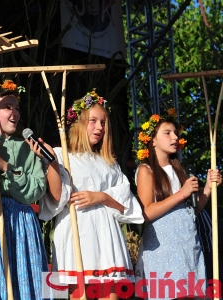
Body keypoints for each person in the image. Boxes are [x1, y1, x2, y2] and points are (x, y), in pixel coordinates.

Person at [35, 89, 144, 300]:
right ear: (79, 123)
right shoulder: (62, 155)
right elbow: (57, 197)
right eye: (93, 121)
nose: (100, 127)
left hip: (106, 237)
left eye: (103, 122)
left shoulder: (110, 164)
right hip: (77, 232)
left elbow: (126, 207)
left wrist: (100, 197)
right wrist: (52, 164)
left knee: (110, 295)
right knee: (78, 293)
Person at [0, 79, 49, 300]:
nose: (15, 113)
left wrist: (6, 167)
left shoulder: (28, 147)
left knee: (25, 287)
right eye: (7, 106)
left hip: (23, 226)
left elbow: (37, 189)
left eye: (16, 107)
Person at [134, 110, 222, 300]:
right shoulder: (145, 170)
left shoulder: (180, 170)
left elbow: (193, 211)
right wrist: (181, 193)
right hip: (164, 248)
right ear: (153, 140)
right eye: (167, 133)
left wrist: (208, 187)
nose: (174, 137)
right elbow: (146, 212)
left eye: (175, 133)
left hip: (188, 244)